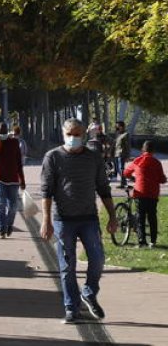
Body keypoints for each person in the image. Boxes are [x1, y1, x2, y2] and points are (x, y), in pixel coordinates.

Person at [40, 118, 118, 324]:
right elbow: (46, 191)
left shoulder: (93, 158)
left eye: (77, 134)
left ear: (84, 135)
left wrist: (112, 216)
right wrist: (46, 221)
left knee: (98, 259)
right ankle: (70, 307)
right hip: (63, 220)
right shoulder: (53, 157)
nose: (73, 138)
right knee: (67, 266)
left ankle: (89, 292)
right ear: (63, 135)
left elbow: (103, 188)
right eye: (70, 134)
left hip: (89, 218)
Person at [123, 141, 167, 247]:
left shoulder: (137, 161)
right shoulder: (156, 162)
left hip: (140, 193)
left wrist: (134, 178)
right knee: (152, 217)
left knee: (140, 217)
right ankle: (153, 241)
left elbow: (125, 173)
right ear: (153, 151)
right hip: (152, 193)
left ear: (142, 150)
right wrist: (162, 179)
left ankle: (142, 241)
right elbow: (162, 179)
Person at [113, 120, 132, 189]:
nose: (116, 127)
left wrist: (128, 156)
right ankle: (123, 183)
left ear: (122, 127)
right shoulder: (118, 134)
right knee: (118, 169)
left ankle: (125, 183)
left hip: (122, 154)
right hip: (116, 154)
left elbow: (128, 146)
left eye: (117, 126)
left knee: (121, 169)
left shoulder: (126, 134)